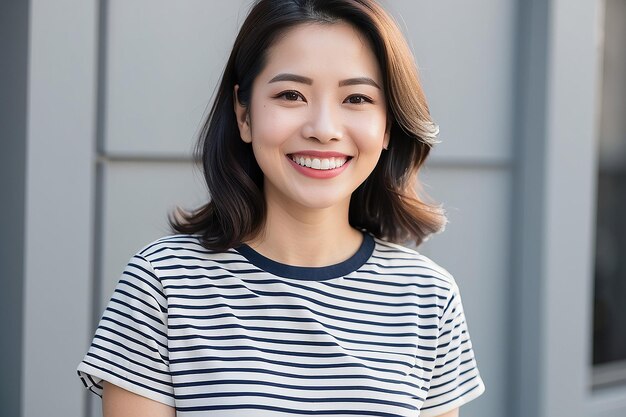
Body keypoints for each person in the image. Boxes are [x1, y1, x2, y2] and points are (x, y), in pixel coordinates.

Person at [77, 0, 485, 416]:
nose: (323, 129)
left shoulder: (427, 297)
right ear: (244, 115)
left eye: (357, 98)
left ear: (388, 126)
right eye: (291, 95)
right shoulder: (162, 284)